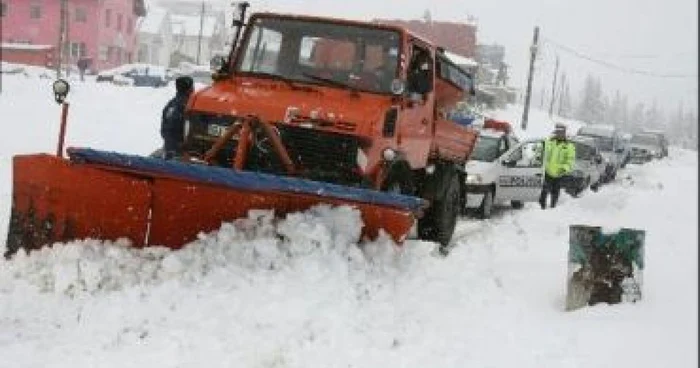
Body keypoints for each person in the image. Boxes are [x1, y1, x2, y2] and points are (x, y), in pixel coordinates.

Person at [539, 123, 576, 209]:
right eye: (558, 131)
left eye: (561, 132)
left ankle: (553, 207)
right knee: (543, 191)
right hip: (547, 171)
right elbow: (541, 153)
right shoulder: (549, 142)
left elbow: (570, 160)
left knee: (555, 192)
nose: (559, 133)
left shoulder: (569, 146)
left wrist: (564, 168)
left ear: (564, 133)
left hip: (559, 173)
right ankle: (541, 207)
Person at [160, 76, 194, 160]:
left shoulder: (170, 104)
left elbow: (164, 129)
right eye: (192, 87)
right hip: (181, 152)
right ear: (190, 89)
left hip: (168, 148)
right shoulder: (189, 106)